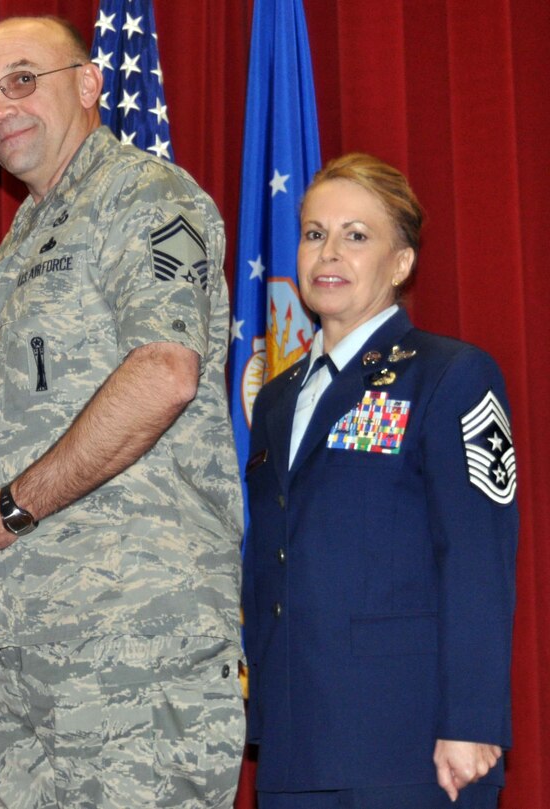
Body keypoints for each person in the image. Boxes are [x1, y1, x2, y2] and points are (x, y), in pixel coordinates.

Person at [0, 16, 245, 809]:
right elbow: (49, 408)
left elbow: (164, 374)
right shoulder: (29, 230)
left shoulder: (145, 196)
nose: (1, 108)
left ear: (91, 83)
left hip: (134, 632)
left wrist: (9, 506)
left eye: (24, 79)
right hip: (31, 635)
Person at [242, 153, 518, 809]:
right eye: (314, 232)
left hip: (411, 746)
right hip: (293, 745)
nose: (328, 252)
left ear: (401, 264)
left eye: (355, 235)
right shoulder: (277, 399)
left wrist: (472, 720)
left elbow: (479, 556)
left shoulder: (450, 376)